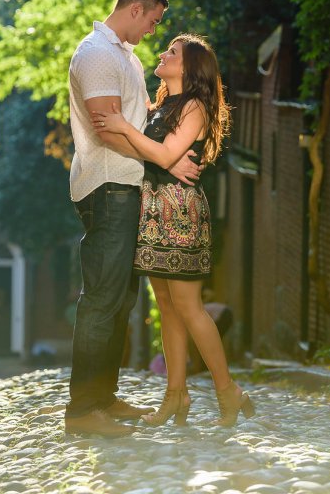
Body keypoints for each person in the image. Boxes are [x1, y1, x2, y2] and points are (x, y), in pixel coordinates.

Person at [93, 33, 255, 428]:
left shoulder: (195, 107)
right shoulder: (163, 104)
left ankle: (227, 390)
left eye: (172, 52)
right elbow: (158, 155)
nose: (163, 55)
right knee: (166, 307)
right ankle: (175, 395)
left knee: (188, 307)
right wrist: (134, 133)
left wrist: (123, 127)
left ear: (190, 66)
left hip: (179, 211)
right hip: (152, 209)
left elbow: (165, 154)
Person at [64, 0, 201, 438]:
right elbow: (107, 129)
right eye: (155, 21)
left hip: (127, 185)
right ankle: (84, 410)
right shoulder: (97, 54)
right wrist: (163, 158)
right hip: (106, 186)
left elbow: (138, 119)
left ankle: (103, 396)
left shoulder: (124, 55)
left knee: (121, 299)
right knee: (102, 298)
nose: (154, 30)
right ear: (137, 10)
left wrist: (170, 152)